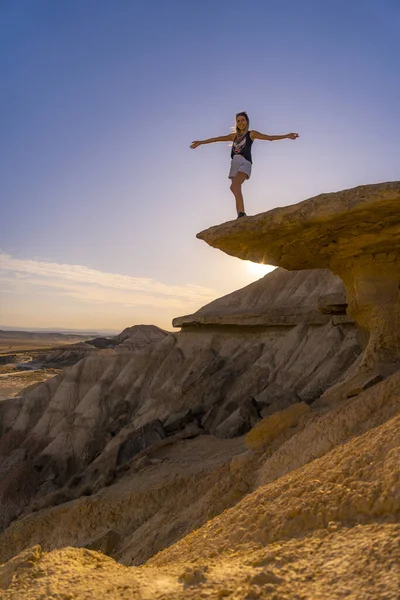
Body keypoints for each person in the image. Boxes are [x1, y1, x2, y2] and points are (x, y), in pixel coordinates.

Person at [190, 111, 299, 218]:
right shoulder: (233, 136)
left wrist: (286, 136)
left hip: (245, 162)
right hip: (234, 164)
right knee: (235, 188)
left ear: (247, 121)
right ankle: (241, 214)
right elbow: (216, 139)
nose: (241, 122)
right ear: (236, 123)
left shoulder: (251, 134)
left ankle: (242, 214)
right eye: (238, 121)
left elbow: (269, 138)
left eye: (243, 120)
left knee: (234, 186)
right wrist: (200, 142)